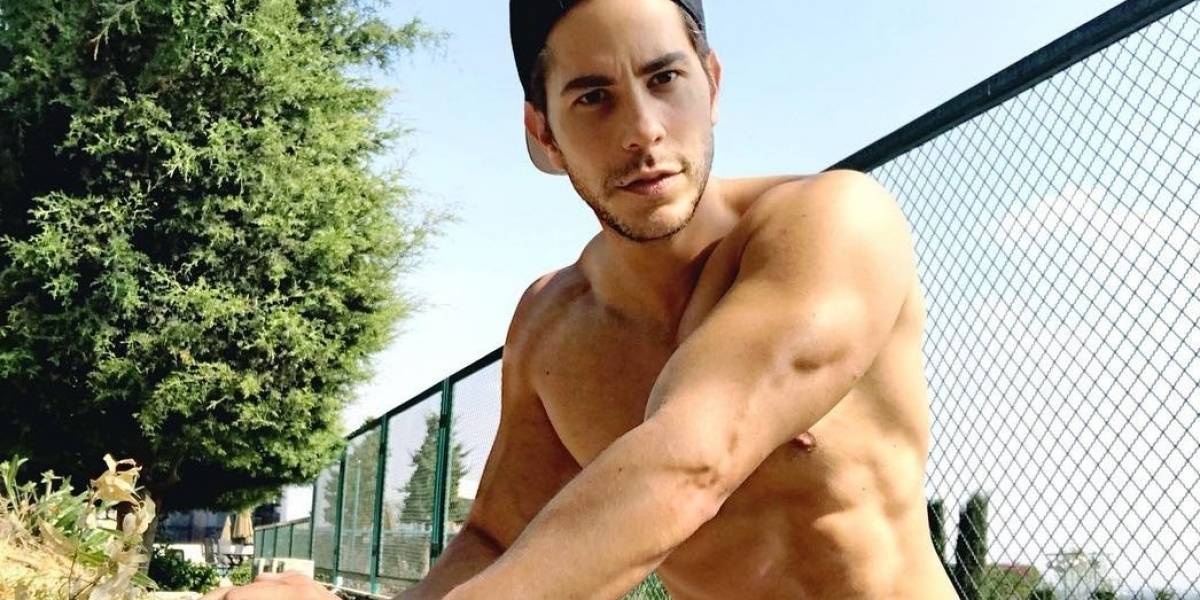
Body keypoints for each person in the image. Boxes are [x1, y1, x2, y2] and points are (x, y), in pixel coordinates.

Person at [202, 0, 957, 598]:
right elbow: (497, 539)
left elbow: (691, 463)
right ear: (544, 134)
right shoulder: (552, 327)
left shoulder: (837, 222)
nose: (643, 131)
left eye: (665, 79)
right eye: (594, 97)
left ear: (712, 84)